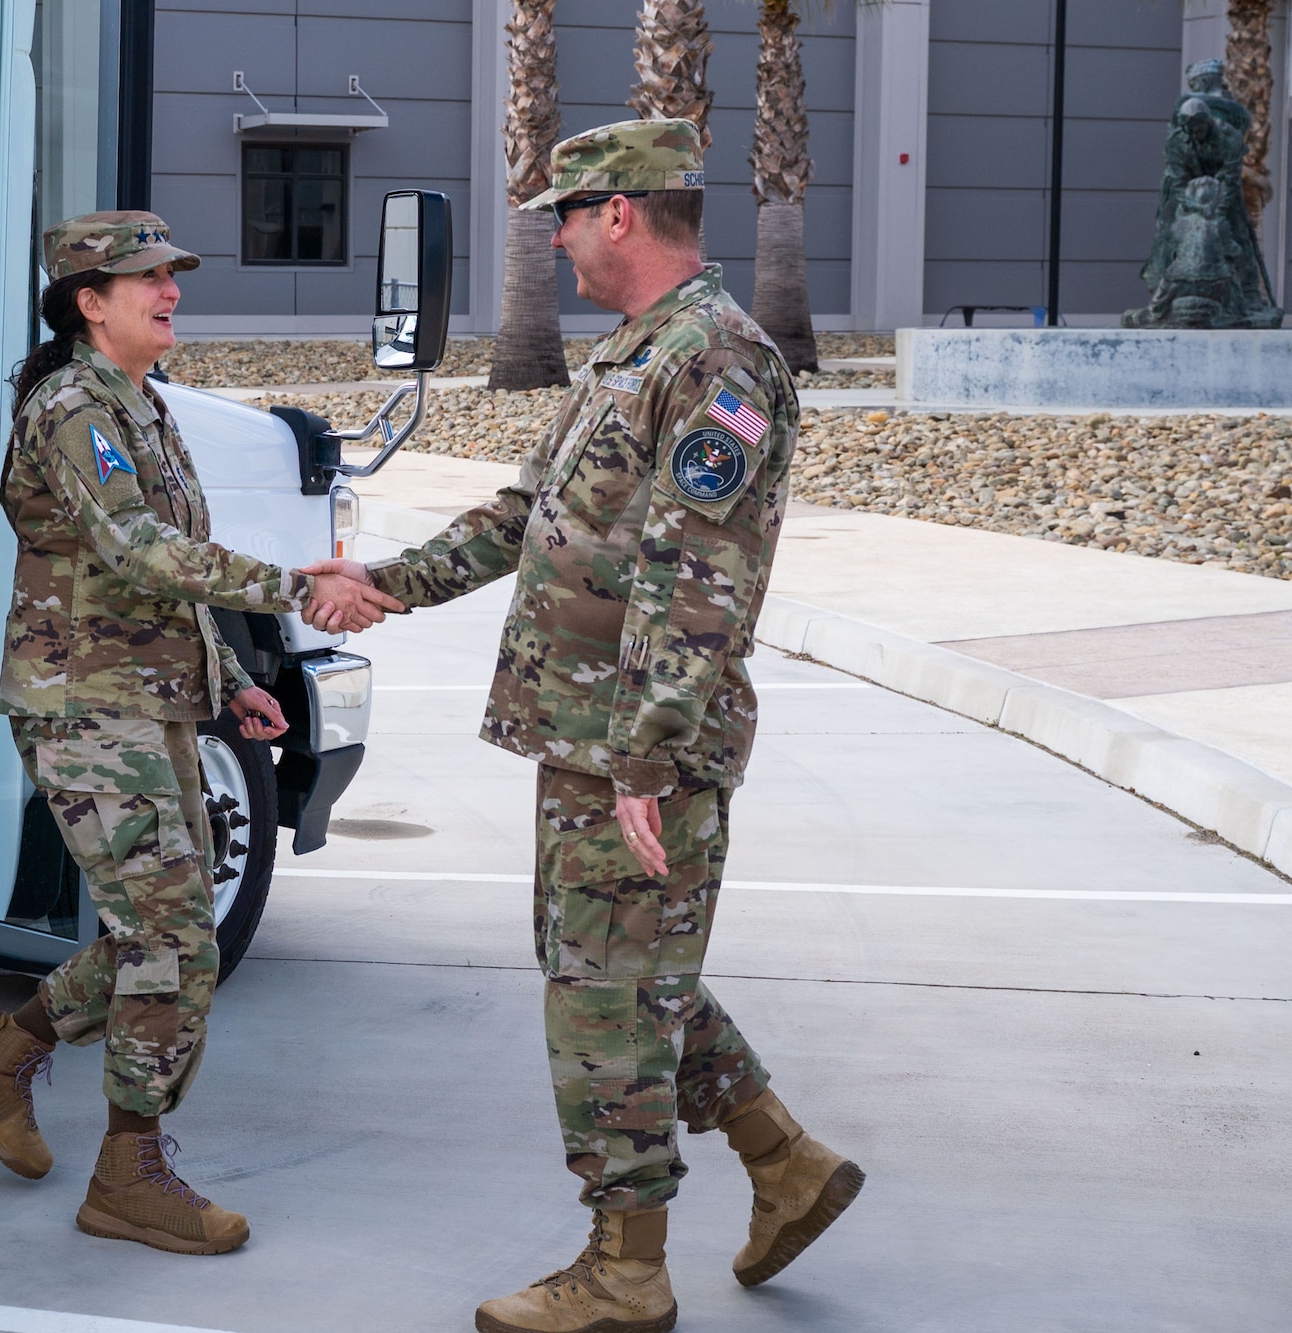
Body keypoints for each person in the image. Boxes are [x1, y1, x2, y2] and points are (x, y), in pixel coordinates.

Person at [303, 121, 864, 1331]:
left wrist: (645, 757)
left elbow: (691, 576)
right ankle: (784, 1162)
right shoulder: (636, 352)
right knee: (629, 973)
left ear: (619, 213)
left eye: (563, 215)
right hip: (590, 736)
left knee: (602, 993)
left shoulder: (715, 357)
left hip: (632, 745)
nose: (552, 241)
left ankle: (623, 1272)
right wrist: (383, 580)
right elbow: (526, 515)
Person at [0, 210, 400, 1256]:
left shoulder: (139, 403)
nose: (168, 289)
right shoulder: (70, 407)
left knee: (166, 933)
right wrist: (290, 584)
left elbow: (173, 558)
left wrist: (232, 676)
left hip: (153, 702)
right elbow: (136, 547)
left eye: (170, 273)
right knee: (175, 938)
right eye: (146, 277)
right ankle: (126, 1172)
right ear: (89, 302)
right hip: (84, 706)